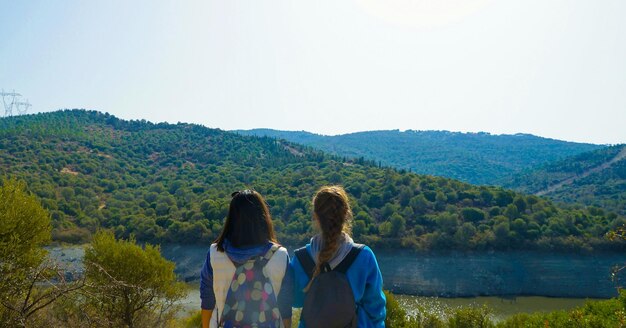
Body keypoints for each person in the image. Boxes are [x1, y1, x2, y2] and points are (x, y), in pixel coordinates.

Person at [291, 186, 386, 328]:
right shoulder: (364, 256)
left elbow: (295, 301)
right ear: (346, 214)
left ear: (315, 216)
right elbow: (376, 308)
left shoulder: (301, 258)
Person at [200, 190, 293, 328]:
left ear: (231, 218)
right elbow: (285, 307)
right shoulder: (280, 255)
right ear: (263, 218)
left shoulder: (215, 253)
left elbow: (207, 299)